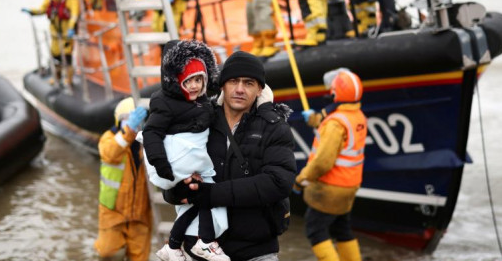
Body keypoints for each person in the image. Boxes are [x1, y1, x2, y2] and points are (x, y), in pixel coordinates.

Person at [164, 51, 296, 261]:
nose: (240, 89)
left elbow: (278, 183)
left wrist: (212, 194)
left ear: (260, 88)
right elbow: (169, 179)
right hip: (198, 252)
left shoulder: (274, 127)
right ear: (222, 85)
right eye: (233, 81)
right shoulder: (197, 123)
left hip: (255, 252)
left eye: (249, 83)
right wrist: (178, 191)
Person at [139, 39, 229, 261]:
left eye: (200, 80)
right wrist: (161, 163)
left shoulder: (201, 102)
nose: (195, 86)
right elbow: (152, 133)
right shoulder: (165, 104)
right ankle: (206, 242)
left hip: (192, 163)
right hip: (178, 162)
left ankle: (172, 245)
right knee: (206, 195)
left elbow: (208, 112)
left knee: (196, 202)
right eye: (189, 81)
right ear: (176, 80)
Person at [295, 68, 367, 261]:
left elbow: (322, 163)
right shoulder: (357, 116)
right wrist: (315, 119)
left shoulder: (335, 123)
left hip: (329, 188)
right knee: (341, 228)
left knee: (315, 230)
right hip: (349, 187)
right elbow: (336, 120)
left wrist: (300, 180)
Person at [94, 98, 153, 261]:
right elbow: (109, 153)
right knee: (108, 254)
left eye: (135, 119)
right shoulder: (109, 138)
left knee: (140, 257)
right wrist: (128, 130)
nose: (133, 123)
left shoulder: (145, 142)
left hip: (140, 215)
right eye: (127, 118)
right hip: (114, 215)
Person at [22, 0, 80, 86]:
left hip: (66, 33)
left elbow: (74, 14)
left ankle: (68, 79)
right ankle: (56, 77)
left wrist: (71, 27)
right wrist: (31, 11)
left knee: (67, 56)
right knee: (55, 56)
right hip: (54, 33)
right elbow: (42, 9)